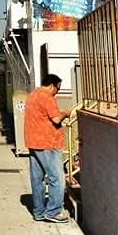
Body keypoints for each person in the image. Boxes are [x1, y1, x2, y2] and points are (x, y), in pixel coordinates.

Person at [24, 74, 71, 224]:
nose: (57, 92)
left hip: (33, 142)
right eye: (57, 88)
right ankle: (53, 211)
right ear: (52, 85)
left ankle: (38, 211)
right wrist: (65, 113)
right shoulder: (47, 97)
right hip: (48, 143)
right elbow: (56, 119)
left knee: (37, 179)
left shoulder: (32, 95)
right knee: (56, 178)